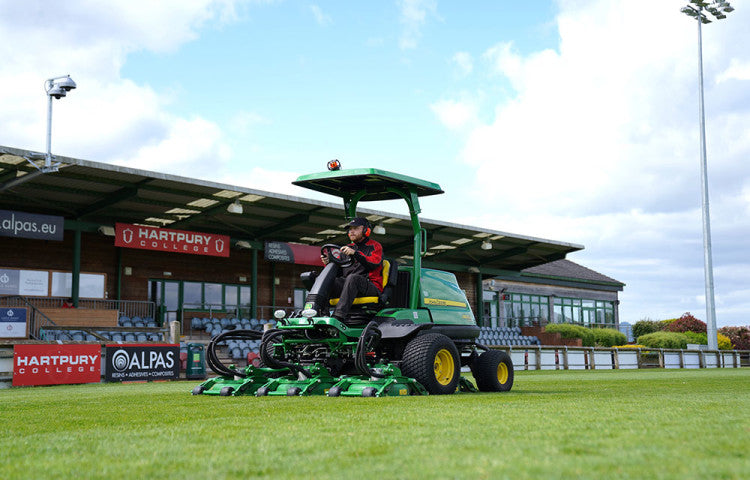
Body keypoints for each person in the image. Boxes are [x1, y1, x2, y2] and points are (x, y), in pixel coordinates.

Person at [320, 217, 383, 322]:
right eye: (350, 229)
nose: (352, 231)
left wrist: (356, 254)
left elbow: (374, 263)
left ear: (366, 230)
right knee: (325, 280)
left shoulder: (375, 246)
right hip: (349, 286)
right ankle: (320, 313)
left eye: (356, 228)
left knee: (353, 278)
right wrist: (328, 263)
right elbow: (339, 273)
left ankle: (338, 317)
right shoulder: (346, 249)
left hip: (370, 286)